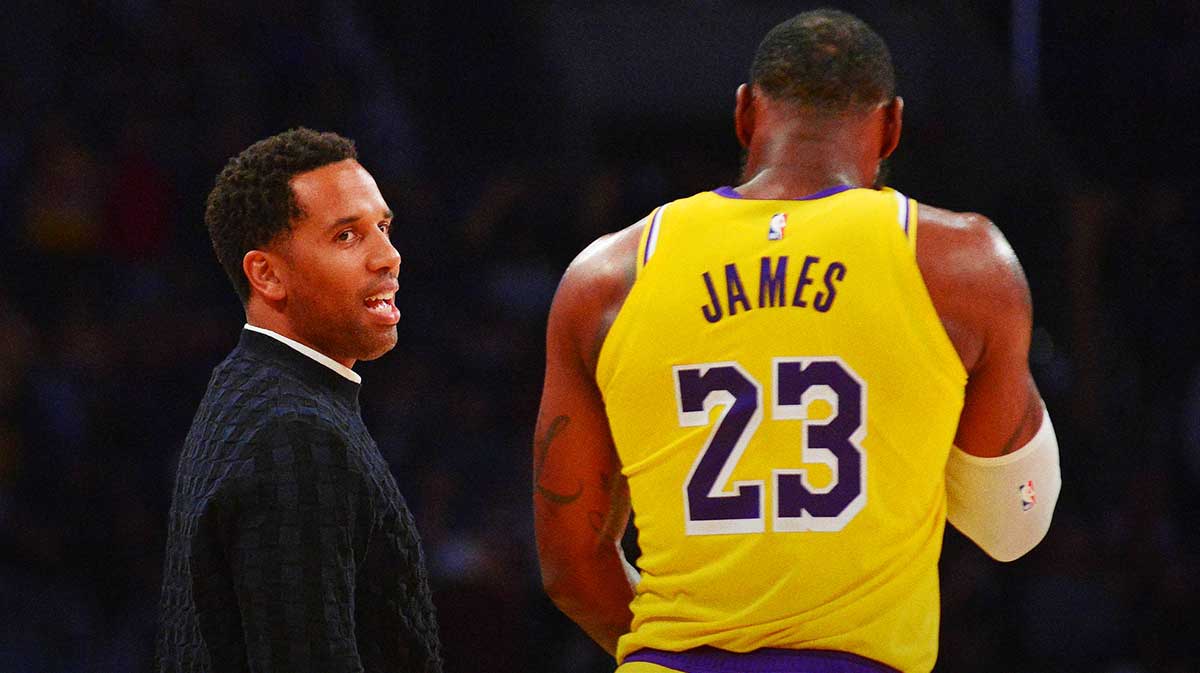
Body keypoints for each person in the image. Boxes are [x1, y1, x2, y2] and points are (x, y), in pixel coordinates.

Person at [532, 10, 1061, 673]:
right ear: (891, 126)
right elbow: (1013, 523)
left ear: (745, 115)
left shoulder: (605, 277)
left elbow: (570, 568)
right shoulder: (962, 264)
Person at [156, 128, 441, 673]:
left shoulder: (251, 388)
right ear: (267, 274)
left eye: (383, 227)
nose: (389, 257)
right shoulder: (295, 432)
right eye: (346, 237)